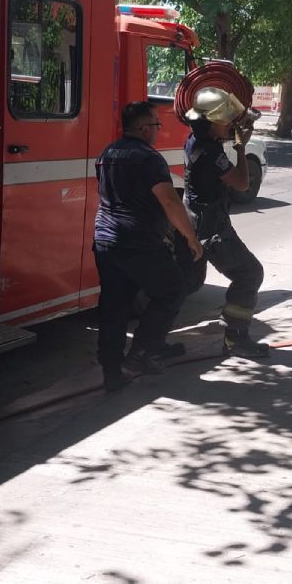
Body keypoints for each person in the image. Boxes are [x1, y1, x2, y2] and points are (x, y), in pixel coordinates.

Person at [94, 101, 203, 393]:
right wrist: (190, 237)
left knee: (114, 307)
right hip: (138, 242)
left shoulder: (107, 153)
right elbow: (169, 200)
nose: (158, 129)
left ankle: (113, 372)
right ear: (144, 129)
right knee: (171, 290)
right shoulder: (148, 158)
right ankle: (142, 352)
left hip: (106, 241)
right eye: (156, 124)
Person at [183, 88, 270, 358]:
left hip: (200, 221)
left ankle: (148, 347)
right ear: (211, 121)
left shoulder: (194, 141)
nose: (230, 124)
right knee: (250, 273)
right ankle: (235, 339)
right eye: (225, 120)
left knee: (180, 285)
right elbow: (242, 184)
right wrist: (240, 146)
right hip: (211, 227)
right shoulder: (210, 153)